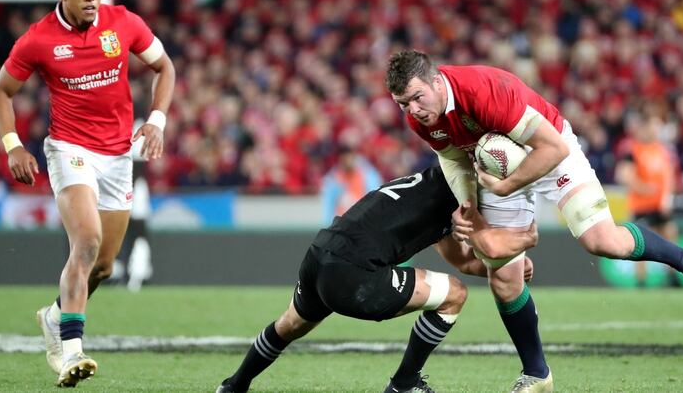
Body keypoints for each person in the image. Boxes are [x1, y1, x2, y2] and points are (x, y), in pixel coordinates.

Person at [386, 50, 683, 392]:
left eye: (417, 97)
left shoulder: (481, 91)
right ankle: (537, 375)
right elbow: (451, 158)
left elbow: (553, 149)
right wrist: (468, 204)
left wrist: (506, 185)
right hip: (493, 166)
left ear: (436, 82)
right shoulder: (419, 118)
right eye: (403, 103)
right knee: (504, 279)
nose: (412, 109)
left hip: (548, 150)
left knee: (601, 241)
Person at [0, 0, 174, 387]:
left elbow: (164, 67)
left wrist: (156, 120)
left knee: (104, 266)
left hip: (117, 155)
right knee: (86, 241)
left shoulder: (123, 22)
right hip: (70, 150)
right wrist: (13, 144)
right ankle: (70, 351)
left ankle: (54, 316)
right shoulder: (38, 39)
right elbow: (0, 92)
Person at [215, 166, 537, 393]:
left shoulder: (433, 184)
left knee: (289, 325)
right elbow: (487, 246)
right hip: (353, 272)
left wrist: (497, 268)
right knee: (454, 295)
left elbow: (464, 261)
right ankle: (404, 384)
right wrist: (520, 245)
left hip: (320, 253)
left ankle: (233, 385)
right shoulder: (462, 197)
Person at [615, 112, 679, 287]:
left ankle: (672, 278)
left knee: (670, 238)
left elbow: (669, 176)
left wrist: (667, 198)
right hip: (641, 205)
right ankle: (641, 281)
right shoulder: (633, 150)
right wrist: (643, 188)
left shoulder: (661, 150)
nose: (656, 130)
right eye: (654, 125)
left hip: (660, 205)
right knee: (641, 244)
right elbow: (623, 175)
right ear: (644, 128)